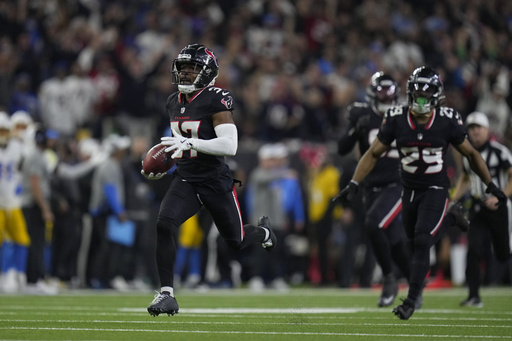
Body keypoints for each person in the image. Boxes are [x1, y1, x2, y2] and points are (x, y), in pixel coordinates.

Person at [333, 66, 507, 320]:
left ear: (436, 96)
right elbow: (372, 153)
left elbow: (471, 153)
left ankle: (411, 300)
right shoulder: (396, 117)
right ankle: (450, 219)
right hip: (409, 189)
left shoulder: (447, 119)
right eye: (417, 94)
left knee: (423, 240)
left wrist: (490, 185)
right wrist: (354, 184)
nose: (421, 100)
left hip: (435, 188)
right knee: (413, 244)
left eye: (426, 95)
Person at [141, 43, 276, 317]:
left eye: (193, 69)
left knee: (235, 240)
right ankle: (167, 293)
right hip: (186, 178)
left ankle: (263, 232)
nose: (187, 74)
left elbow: (230, 145)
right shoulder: (172, 102)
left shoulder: (217, 97)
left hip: (215, 180)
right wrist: (160, 165)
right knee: (164, 223)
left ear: (208, 73)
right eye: (183, 68)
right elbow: (179, 147)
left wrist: (192, 141)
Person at [337, 71, 416, 307]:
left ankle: (389, 279)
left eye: (389, 89)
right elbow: (342, 149)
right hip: (371, 186)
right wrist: (355, 130)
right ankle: (415, 284)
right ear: (372, 91)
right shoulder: (364, 115)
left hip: (397, 183)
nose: (385, 94)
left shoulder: (404, 114)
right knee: (394, 241)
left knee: (373, 223)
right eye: (381, 89)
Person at [451, 111, 512, 307]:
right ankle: (473, 295)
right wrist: (452, 200)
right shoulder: (468, 154)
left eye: (478, 128)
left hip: (499, 207)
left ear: (487, 130)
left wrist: (500, 196)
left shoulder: (498, 152)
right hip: (478, 206)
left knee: (504, 252)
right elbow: (466, 178)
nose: (475, 132)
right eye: (472, 128)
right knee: (474, 250)